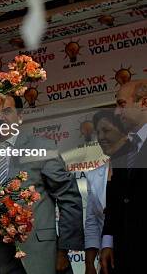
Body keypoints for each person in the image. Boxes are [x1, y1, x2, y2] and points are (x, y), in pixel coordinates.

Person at [0, 92, 84, 274]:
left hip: (37, 255)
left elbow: (69, 198)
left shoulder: (42, 147)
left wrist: (64, 249)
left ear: (20, 116)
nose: (0, 118)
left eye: (6, 111)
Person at [100, 79, 147, 274]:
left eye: (121, 104)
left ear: (143, 103)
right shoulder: (122, 148)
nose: (117, 112)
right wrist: (108, 241)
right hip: (123, 256)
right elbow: (117, 199)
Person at [84, 111, 127, 274]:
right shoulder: (94, 175)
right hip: (107, 264)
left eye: (106, 130)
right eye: (98, 132)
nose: (101, 137)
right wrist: (89, 264)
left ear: (123, 131)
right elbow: (92, 222)